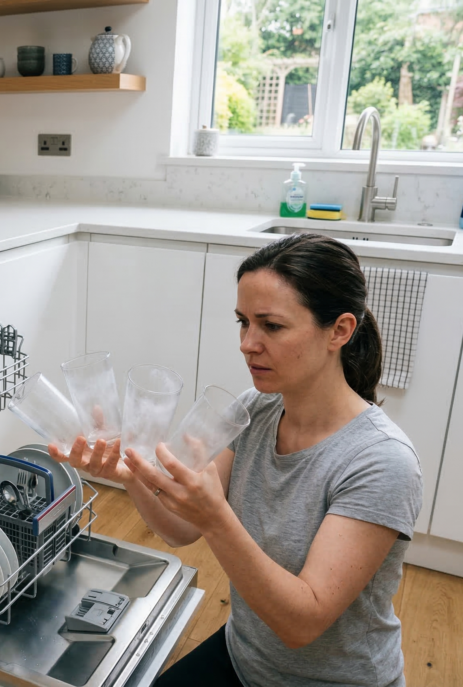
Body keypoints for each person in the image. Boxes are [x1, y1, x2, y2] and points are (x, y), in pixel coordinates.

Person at [50, 233, 423, 687]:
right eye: (243, 322)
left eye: (271, 326)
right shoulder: (256, 409)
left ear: (340, 331)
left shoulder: (381, 462)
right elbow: (180, 529)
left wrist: (217, 518)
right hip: (245, 658)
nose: (248, 343)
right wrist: (133, 476)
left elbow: (301, 624)